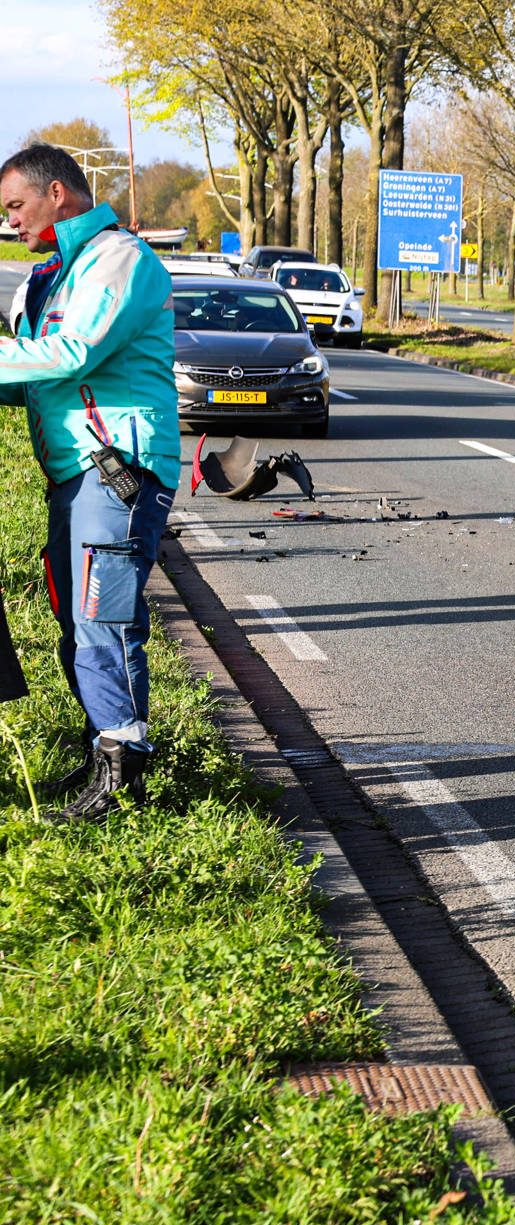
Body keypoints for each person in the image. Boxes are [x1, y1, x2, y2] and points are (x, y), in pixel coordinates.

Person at [0, 143, 179, 820]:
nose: (10, 222)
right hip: (74, 476)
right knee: (77, 620)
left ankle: (124, 778)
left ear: (57, 194)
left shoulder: (118, 259)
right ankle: (103, 748)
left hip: (116, 469)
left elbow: (73, 353)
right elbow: (38, 382)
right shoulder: (48, 277)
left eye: (16, 207)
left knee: (103, 618)